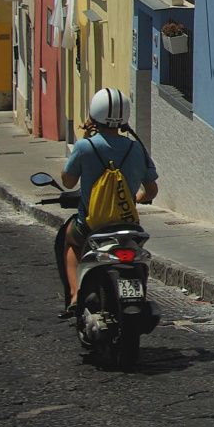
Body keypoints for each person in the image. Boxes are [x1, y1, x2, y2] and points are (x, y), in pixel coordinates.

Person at [57, 88, 159, 311]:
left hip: (92, 225)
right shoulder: (136, 147)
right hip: (127, 223)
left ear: (94, 114)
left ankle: (75, 295)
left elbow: (68, 181)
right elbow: (152, 190)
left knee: (71, 240)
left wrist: (85, 139)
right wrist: (136, 198)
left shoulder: (86, 146)